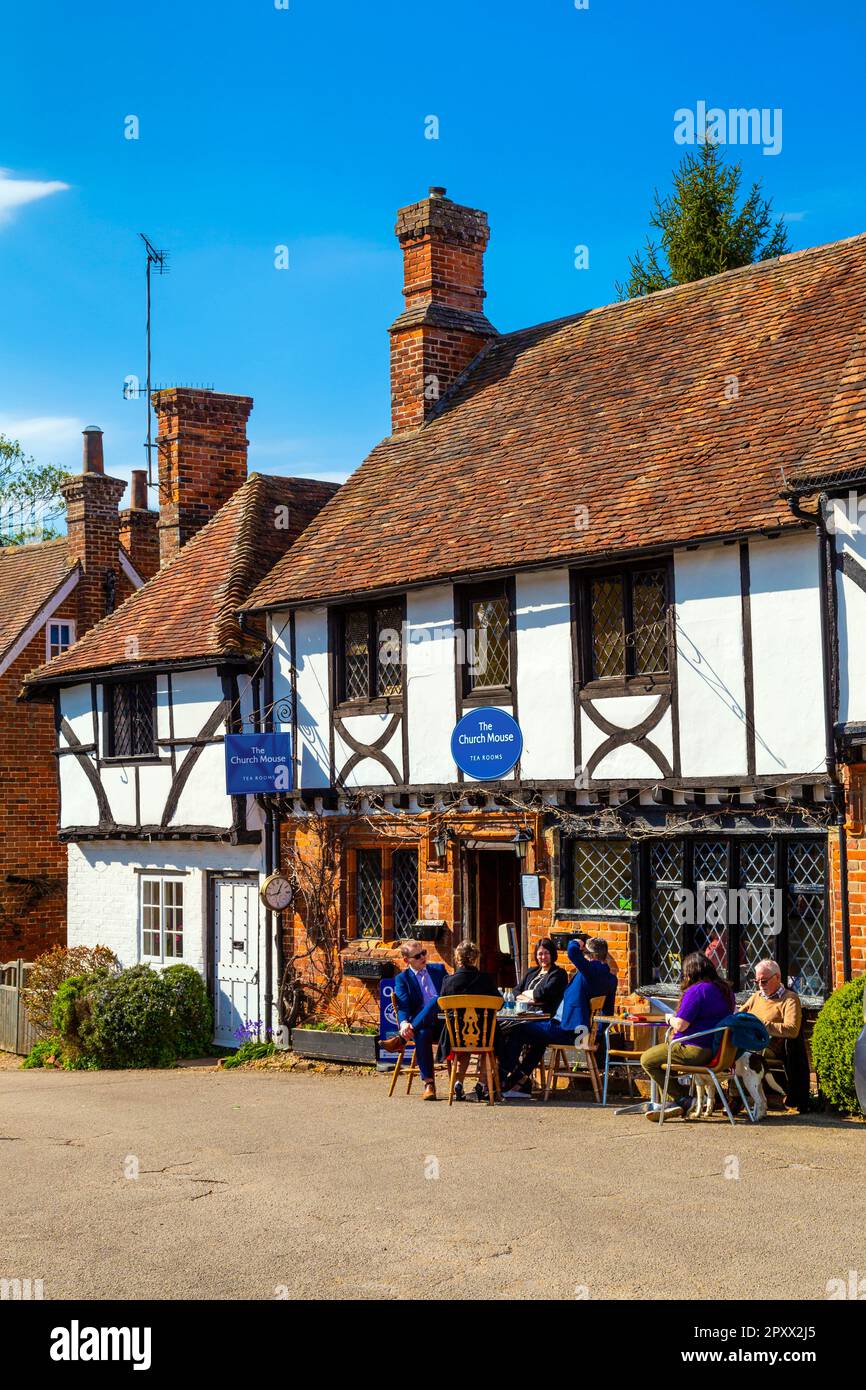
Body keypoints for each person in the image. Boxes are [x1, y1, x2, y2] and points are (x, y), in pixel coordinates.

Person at [497, 937, 617, 1099]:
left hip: (569, 1030)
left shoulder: (591, 971)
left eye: (585, 953)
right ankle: (519, 1082)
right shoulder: (611, 978)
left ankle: (500, 1078)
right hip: (580, 1032)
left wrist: (576, 941)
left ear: (590, 955)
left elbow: (572, 952)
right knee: (538, 1039)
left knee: (518, 1030)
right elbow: (607, 1010)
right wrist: (598, 1036)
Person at [640, 953, 735, 1122]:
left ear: (691, 973)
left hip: (693, 1049)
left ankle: (683, 1099)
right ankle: (673, 1104)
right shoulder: (726, 991)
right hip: (717, 1050)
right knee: (666, 1058)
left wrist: (669, 1018)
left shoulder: (697, 991)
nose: (685, 977)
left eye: (685, 974)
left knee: (647, 1059)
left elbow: (681, 1025)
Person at [739, 959, 811, 1113]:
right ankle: (734, 1097)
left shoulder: (790, 999)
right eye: (756, 981)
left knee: (743, 1054)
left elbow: (792, 1030)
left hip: (772, 1045)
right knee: (731, 1048)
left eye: (764, 981)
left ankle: (739, 1098)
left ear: (777, 978)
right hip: (750, 1041)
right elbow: (739, 1016)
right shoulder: (756, 997)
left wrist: (762, 1025)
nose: (760, 985)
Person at [381, 940, 448, 1101]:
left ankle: (401, 1040)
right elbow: (403, 1006)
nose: (423, 957)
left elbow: (450, 993)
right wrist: (403, 1023)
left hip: (444, 1025)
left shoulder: (439, 970)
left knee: (436, 1000)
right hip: (421, 1027)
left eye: (423, 953)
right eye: (417, 956)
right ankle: (429, 1084)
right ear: (406, 960)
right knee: (422, 1033)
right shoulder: (402, 979)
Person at [439, 940, 498, 1101]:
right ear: (475, 959)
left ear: (458, 959)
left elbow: (441, 1004)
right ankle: (481, 1083)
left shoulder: (448, 981)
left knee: (463, 1046)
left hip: (457, 1037)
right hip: (483, 1036)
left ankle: (458, 1082)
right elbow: (499, 1003)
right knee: (488, 1047)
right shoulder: (485, 979)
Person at [515, 938, 569, 1014]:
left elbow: (542, 995)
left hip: (544, 1018)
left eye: (546, 953)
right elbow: (515, 991)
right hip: (523, 1015)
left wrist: (525, 992)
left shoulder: (559, 974)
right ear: (536, 956)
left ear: (552, 954)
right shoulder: (531, 972)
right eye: (540, 954)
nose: (543, 957)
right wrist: (530, 1001)